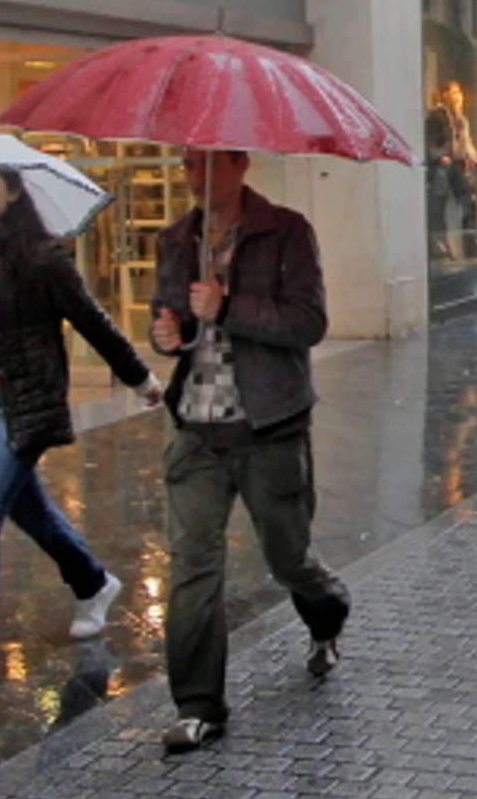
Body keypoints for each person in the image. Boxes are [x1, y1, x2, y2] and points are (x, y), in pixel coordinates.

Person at [0, 168, 163, 706]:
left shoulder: (41, 257)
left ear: (13, 192)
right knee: (29, 509)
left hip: (22, 405)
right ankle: (94, 582)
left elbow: (93, 321)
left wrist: (141, 378)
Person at [149, 150, 352, 753]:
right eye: (186, 165)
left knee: (288, 558)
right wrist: (170, 334)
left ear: (239, 165)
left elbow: (308, 322)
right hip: (195, 426)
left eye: (205, 165)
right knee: (192, 566)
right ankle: (198, 705)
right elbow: (173, 321)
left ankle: (328, 610)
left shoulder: (286, 231)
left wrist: (228, 308)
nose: (193, 176)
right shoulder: (174, 238)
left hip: (269, 425)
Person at [425, 80, 477, 260]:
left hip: (457, 163)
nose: (459, 97)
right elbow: (430, 140)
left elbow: (466, 141)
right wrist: (439, 155)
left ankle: (471, 244)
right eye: (454, 93)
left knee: (467, 201)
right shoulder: (437, 116)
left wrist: (472, 156)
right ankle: (439, 244)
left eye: (460, 93)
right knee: (438, 204)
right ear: (444, 95)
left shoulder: (461, 119)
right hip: (443, 164)